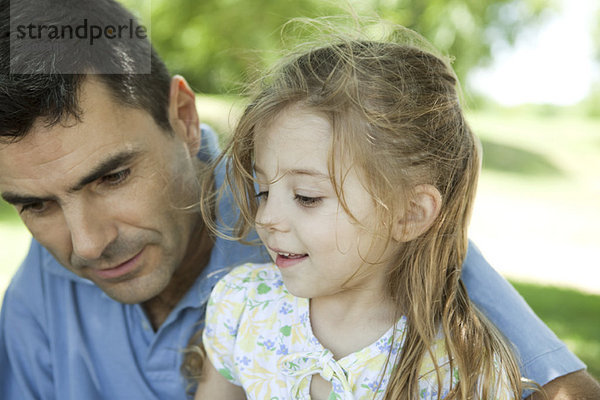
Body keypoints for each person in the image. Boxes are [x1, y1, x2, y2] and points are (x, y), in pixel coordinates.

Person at [0, 1, 596, 399]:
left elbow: (563, 390)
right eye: (35, 205)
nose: (87, 245)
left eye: (112, 177)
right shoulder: (38, 301)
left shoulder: (369, 238)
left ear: (182, 117)